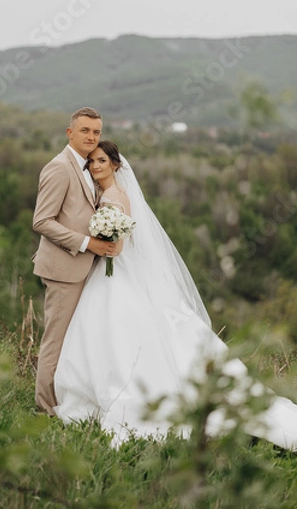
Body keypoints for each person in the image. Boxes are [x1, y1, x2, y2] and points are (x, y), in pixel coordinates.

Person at [54, 141, 297, 450]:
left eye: (101, 160)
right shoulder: (101, 194)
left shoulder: (116, 196)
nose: (95, 166)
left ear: (116, 165)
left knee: (121, 331)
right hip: (107, 272)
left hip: (116, 273)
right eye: (91, 162)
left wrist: (103, 240)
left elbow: (121, 246)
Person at [32, 108, 118, 416]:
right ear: (70, 133)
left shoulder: (89, 167)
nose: (91, 137)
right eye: (85, 131)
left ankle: (68, 399)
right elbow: (42, 221)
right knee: (55, 341)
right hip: (64, 269)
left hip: (86, 269)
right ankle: (44, 408)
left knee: (76, 339)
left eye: (96, 132)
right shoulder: (58, 167)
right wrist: (87, 243)